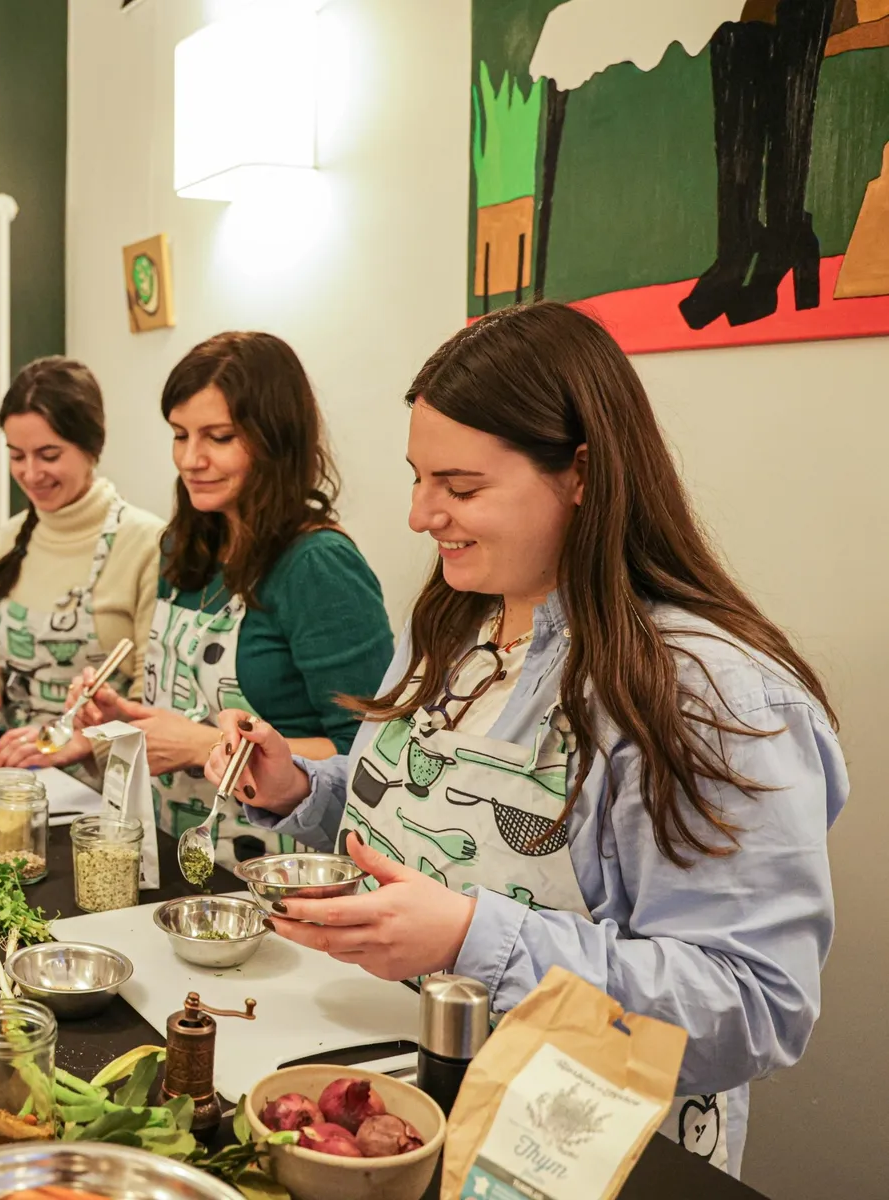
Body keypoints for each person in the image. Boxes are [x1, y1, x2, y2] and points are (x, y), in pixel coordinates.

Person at [209, 302, 844, 1176]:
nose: (420, 515)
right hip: (416, 1102)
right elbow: (414, 815)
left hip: (581, 1148)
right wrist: (300, 791)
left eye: (461, 488)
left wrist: (473, 939)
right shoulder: (452, 623)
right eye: (418, 478)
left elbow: (754, 1005)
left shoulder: (705, 692)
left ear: (581, 473)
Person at [71, 332, 393, 867]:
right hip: (172, 846)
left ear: (275, 439)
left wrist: (203, 746)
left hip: (273, 872)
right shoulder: (184, 545)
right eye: (179, 435)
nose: (190, 459)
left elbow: (371, 756)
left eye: (218, 437)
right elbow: (179, 707)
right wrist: (124, 717)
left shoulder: (317, 566)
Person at [0, 357, 163, 766]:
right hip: (12, 763)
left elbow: (151, 699)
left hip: (102, 779)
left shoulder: (147, 543)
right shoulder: (12, 535)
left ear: (92, 448)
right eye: (17, 456)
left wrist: (84, 741)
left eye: (48, 455)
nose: (31, 474)